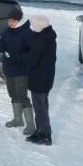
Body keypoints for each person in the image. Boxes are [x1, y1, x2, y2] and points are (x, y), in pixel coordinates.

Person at [0, 7, 35, 135]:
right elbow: (0, 46)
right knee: (13, 94)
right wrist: (0, 46)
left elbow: (32, 53)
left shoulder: (27, 33)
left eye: (13, 21)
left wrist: (15, 57)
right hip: (9, 69)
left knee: (22, 96)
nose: (10, 23)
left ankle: (31, 125)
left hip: (21, 70)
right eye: (9, 20)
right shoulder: (7, 32)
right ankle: (18, 119)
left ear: (19, 21)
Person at [25, 14, 57, 145]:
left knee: (40, 107)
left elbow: (32, 61)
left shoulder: (41, 40)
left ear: (39, 26)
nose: (32, 27)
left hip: (38, 78)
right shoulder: (48, 36)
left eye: (34, 25)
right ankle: (41, 130)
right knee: (42, 105)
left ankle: (45, 134)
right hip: (46, 77)